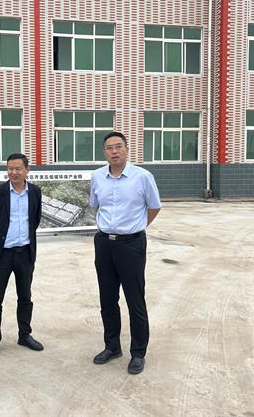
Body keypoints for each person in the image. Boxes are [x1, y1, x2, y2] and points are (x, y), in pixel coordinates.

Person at [89, 131, 161, 375]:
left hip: (132, 245)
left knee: (135, 299)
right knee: (107, 299)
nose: (114, 151)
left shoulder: (142, 177)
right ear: (104, 152)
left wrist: (136, 228)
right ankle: (112, 347)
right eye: (109, 147)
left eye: (118, 146)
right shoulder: (97, 177)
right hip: (104, 244)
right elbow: (95, 205)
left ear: (127, 149)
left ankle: (138, 353)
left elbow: (154, 207)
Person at [0, 153, 43, 360]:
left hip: (25, 253)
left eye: (18, 168)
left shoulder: (35, 192)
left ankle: (24, 335)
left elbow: (35, 220)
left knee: (25, 297)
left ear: (27, 170)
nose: (13, 172)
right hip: (2, 254)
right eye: (10, 168)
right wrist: (2, 238)